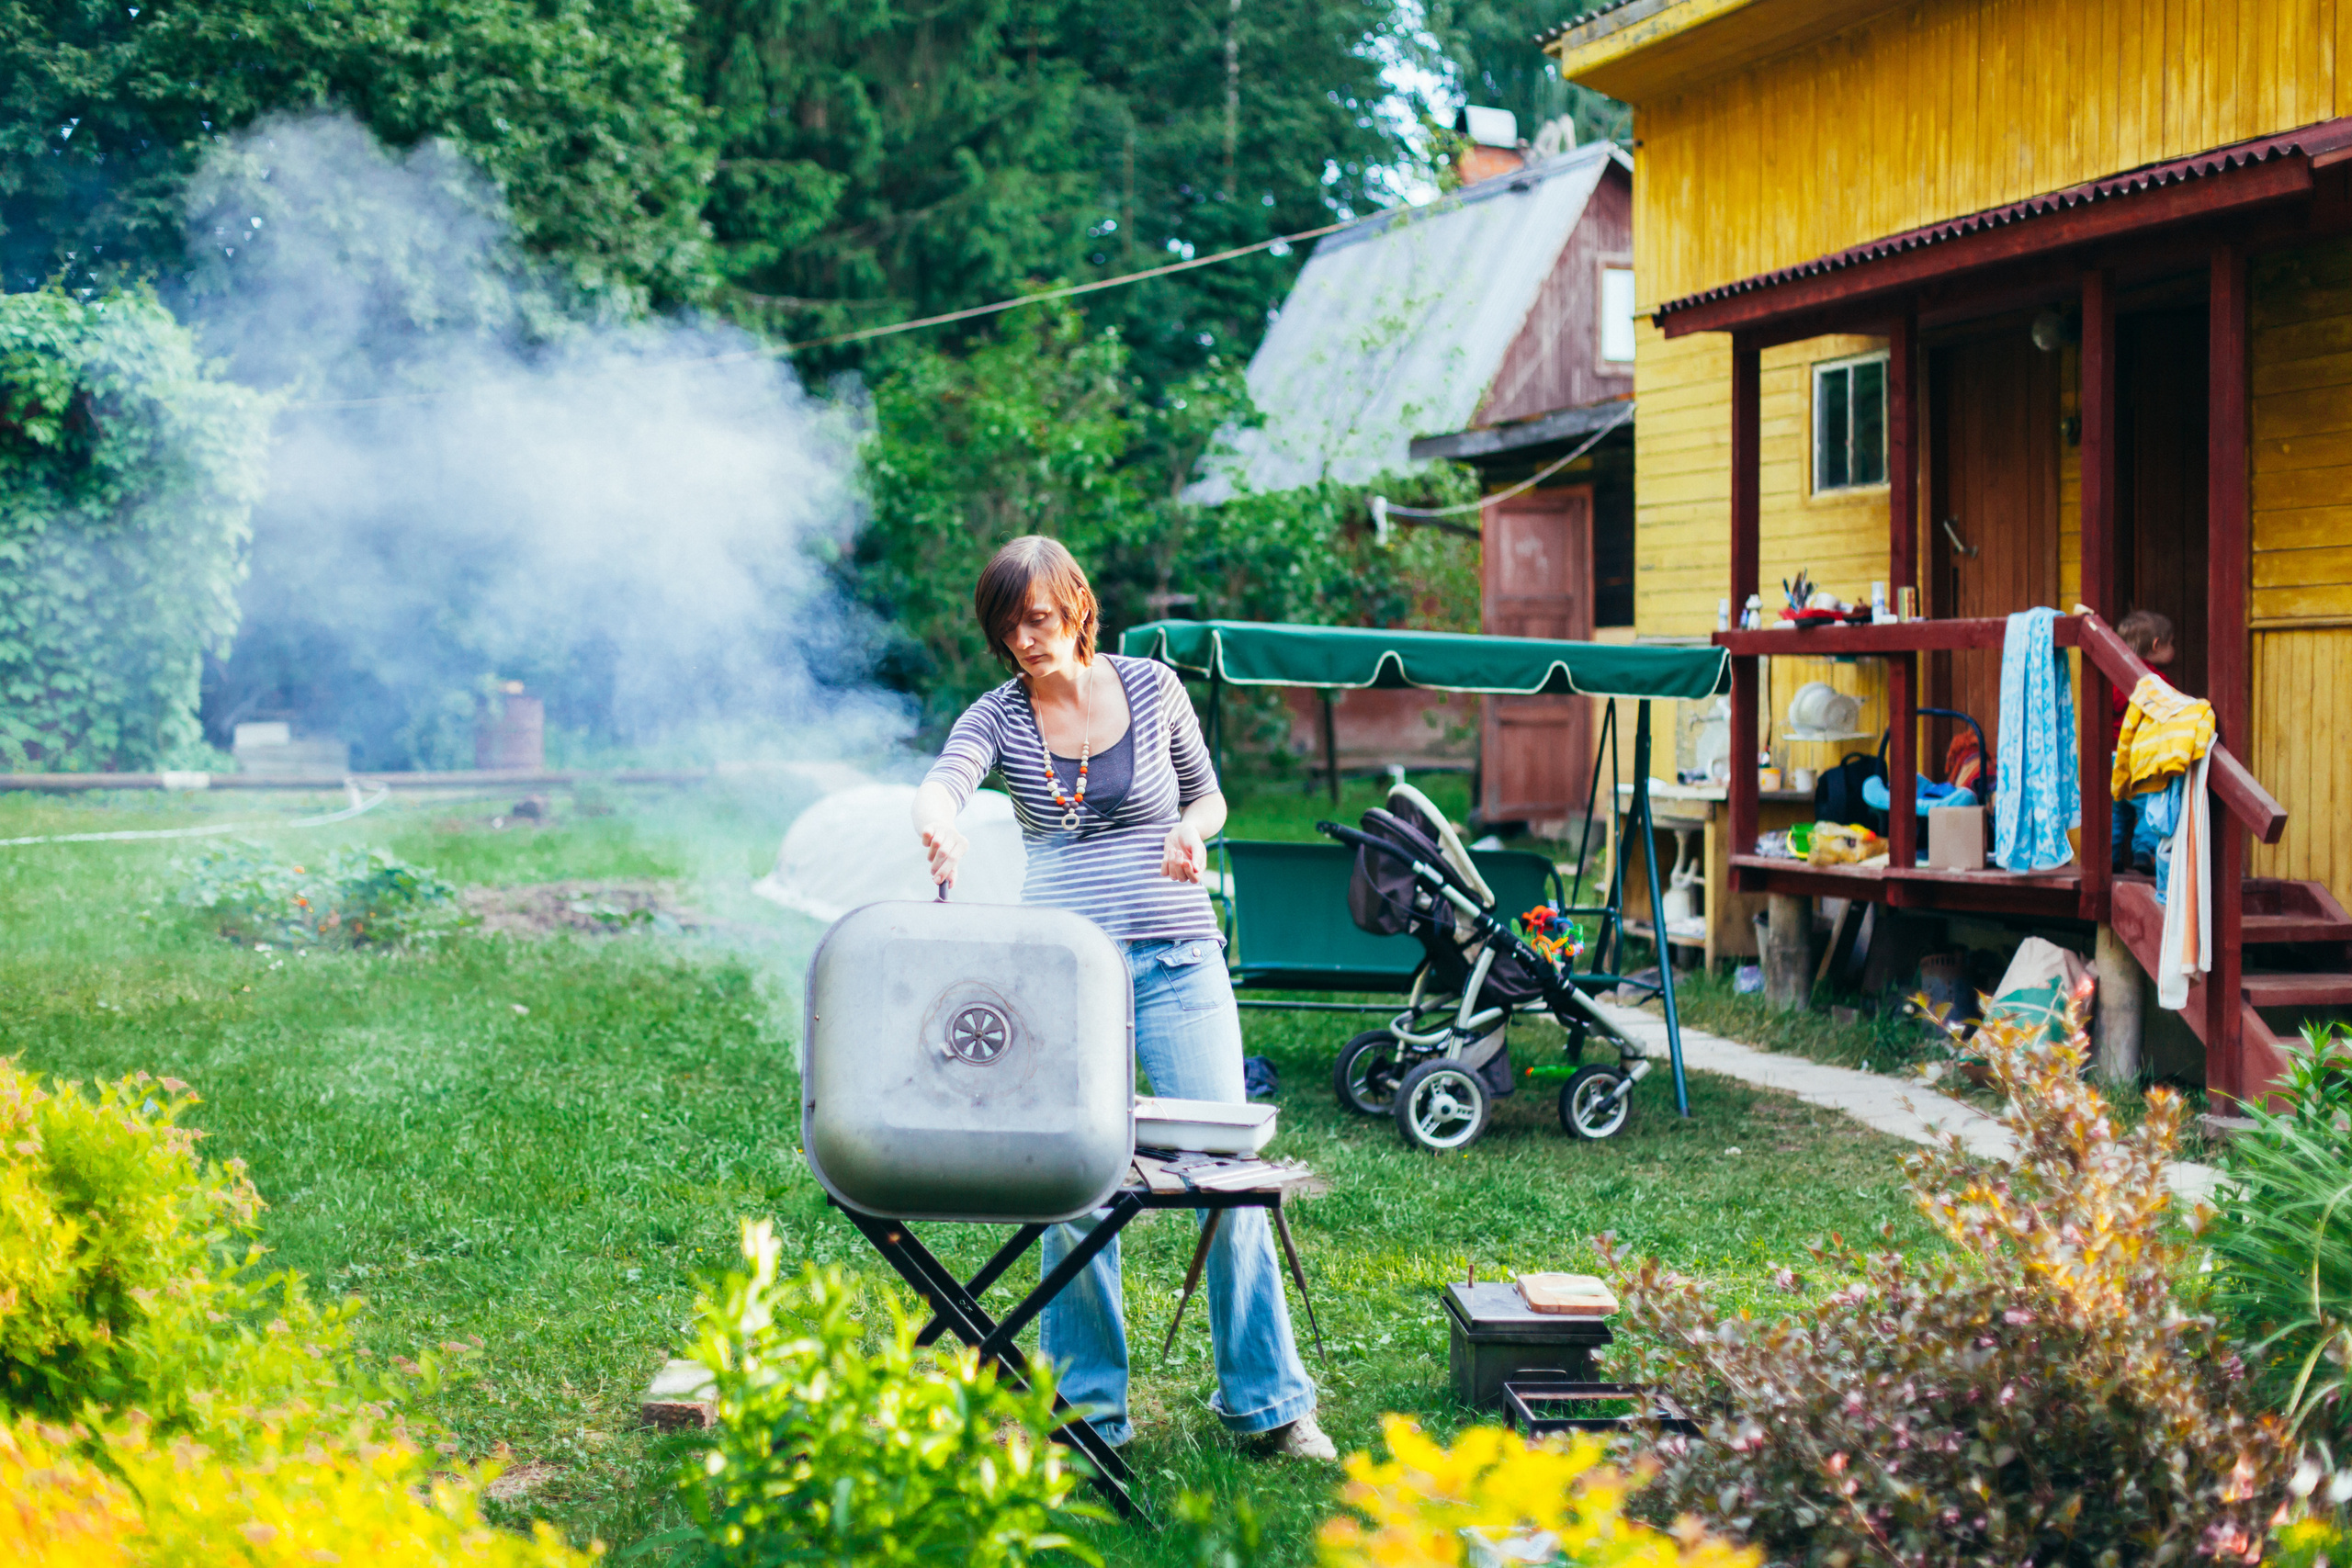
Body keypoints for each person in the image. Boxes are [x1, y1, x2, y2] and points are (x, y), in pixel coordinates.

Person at [909, 536, 1331, 1461]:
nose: (1025, 639)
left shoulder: (1150, 687)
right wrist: (939, 827)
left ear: (1077, 609)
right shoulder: (998, 716)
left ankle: (1268, 1403)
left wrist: (1189, 830)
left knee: (1232, 1181)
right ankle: (1087, 1414)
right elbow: (946, 781)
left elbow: (1211, 796)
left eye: (1040, 619)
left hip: (1180, 962)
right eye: (1008, 626)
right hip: (1063, 980)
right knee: (1075, 1187)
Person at [2110, 609, 2177, 875]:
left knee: (2116, 811)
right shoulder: (2156, 682)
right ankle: (2144, 853)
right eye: (2171, 643)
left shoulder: (2112, 677)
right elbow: (2171, 711)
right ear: (2156, 645)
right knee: (2150, 806)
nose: (2173, 648)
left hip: (2113, 758)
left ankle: (2111, 858)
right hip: (2140, 759)